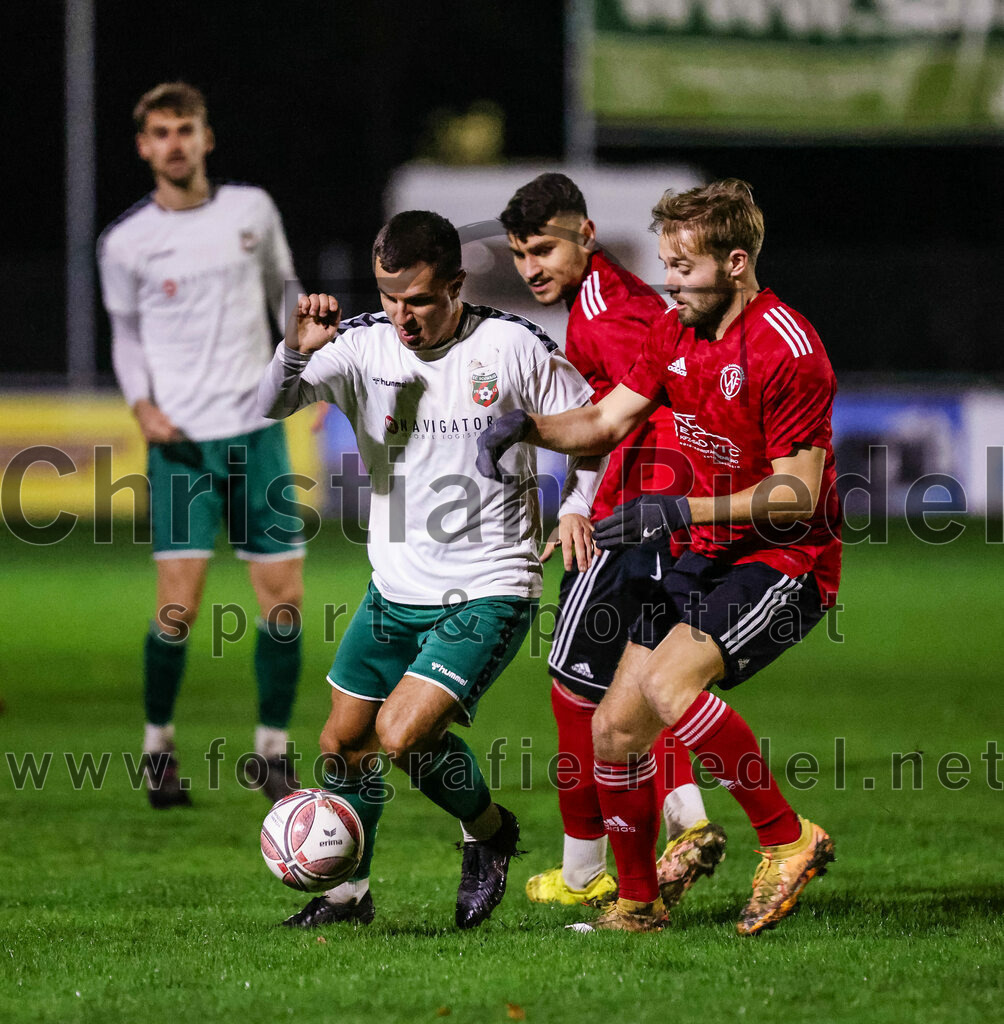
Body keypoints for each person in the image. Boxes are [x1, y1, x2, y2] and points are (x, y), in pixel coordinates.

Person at [478, 179, 840, 935]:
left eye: (685, 268)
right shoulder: (675, 332)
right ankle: (639, 902)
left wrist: (678, 507)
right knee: (614, 728)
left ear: (736, 263)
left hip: (784, 562)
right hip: (704, 552)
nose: (670, 284)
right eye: (667, 267)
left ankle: (787, 837)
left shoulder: (788, 349)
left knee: (672, 687)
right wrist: (528, 427)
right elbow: (607, 419)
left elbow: (798, 494)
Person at [258, 210, 602, 930]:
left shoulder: (513, 345)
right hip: (394, 588)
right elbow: (268, 405)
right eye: (388, 298)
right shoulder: (360, 345)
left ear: (455, 283)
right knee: (340, 743)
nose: (400, 316)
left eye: (417, 299)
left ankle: (488, 832)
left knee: (401, 735)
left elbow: (593, 430)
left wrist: (576, 506)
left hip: (490, 584)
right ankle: (349, 894)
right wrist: (294, 351)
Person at [499, 173, 725, 910]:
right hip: (651, 510)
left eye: (542, 249)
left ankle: (583, 871)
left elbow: (628, 413)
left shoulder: (604, 314)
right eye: (518, 254)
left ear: (585, 235)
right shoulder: (603, 299)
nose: (531, 267)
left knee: (576, 689)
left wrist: (587, 503)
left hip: (638, 516)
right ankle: (684, 822)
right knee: (640, 683)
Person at [97, 82, 305, 808]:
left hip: (255, 433)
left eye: (186, 128)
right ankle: (159, 747)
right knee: (178, 608)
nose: (175, 142)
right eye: (161, 132)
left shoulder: (251, 211)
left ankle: (272, 753)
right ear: (144, 146)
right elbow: (125, 336)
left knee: (284, 602)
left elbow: (288, 293)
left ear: (206, 137)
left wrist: (295, 375)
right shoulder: (124, 243)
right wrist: (142, 406)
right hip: (181, 441)